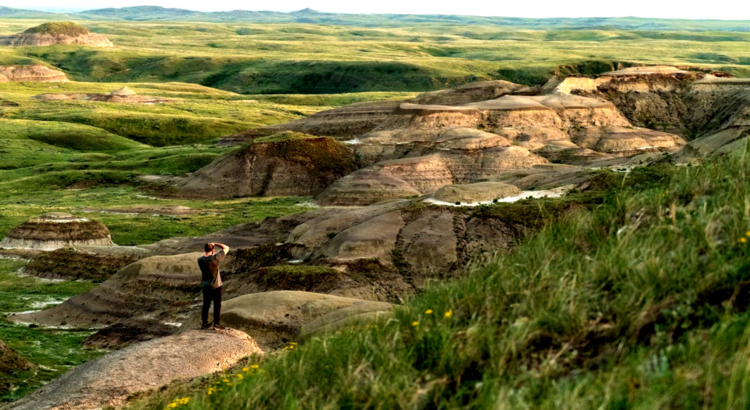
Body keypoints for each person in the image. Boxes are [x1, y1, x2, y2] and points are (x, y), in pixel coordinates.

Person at [197, 242, 230, 330]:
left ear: (204, 250)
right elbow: (226, 247)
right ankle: (216, 323)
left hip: (206, 286)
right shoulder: (215, 258)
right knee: (217, 305)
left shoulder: (200, 260)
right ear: (213, 250)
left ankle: (204, 323)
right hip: (216, 286)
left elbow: (206, 257)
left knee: (206, 305)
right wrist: (215, 243)